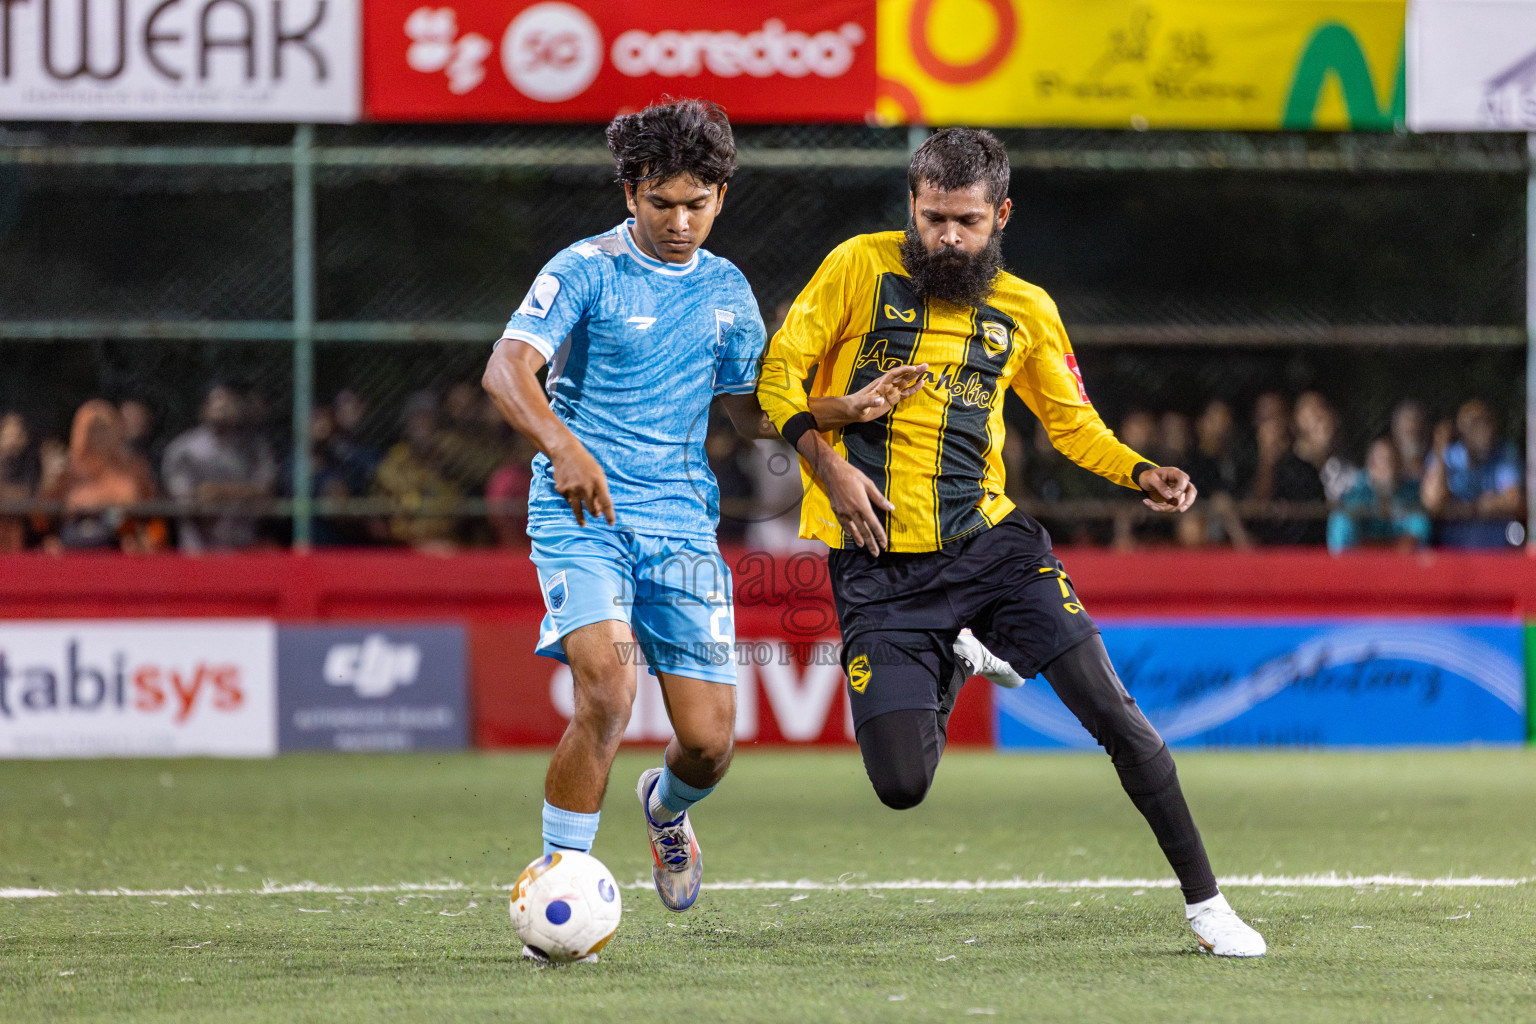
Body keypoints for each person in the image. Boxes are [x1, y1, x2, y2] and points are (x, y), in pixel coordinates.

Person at [755, 127, 1265, 957]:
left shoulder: (1026, 310)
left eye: (964, 221)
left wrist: (1140, 472)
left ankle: (1209, 905)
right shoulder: (857, 265)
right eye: (931, 220)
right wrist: (831, 470)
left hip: (996, 554)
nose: (946, 239)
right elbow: (779, 373)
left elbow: (1072, 426)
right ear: (910, 209)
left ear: (1002, 216)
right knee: (900, 785)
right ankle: (955, 653)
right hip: (877, 566)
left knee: (1117, 717)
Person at [479, 99, 926, 960]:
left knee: (711, 744)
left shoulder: (725, 290)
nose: (680, 222)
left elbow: (757, 410)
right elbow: (507, 370)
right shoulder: (584, 269)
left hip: (681, 526)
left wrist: (840, 408)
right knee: (607, 688)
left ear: (722, 195)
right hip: (585, 513)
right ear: (630, 190)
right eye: (662, 203)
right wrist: (564, 448)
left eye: (698, 203)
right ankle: (559, 881)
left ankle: (664, 809)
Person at [161, 385, 279, 552]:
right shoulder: (183, 450)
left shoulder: (256, 448)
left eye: (229, 403)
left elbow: (266, 489)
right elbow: (189, 501)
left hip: (245, 551)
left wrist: (221, 492)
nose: (223, 409)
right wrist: (245, 492)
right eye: (217, 403)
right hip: (200, 552)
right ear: (204, 409)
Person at [39, 400, 162, 552]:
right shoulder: (67, 473)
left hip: (121, 552)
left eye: (103, 429)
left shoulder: (134, 469)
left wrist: (144, 539)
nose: (97, 436)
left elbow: (153, 517)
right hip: (72, 552)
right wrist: (48, 483)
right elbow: (43, 521)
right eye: (90, 429)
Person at [1421, 399, 1524, 549]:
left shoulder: (1505, 453)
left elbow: (1513, 501)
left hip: (1496, 549)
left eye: (1487, 422)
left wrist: (1463, 509)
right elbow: (1434, 503)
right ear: (1461, 430)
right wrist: (1441, 448)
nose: (1483, 429)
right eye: (1475, 424)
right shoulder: (1446, 454)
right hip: (1451, 549)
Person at [1327, 437, 1431, 553]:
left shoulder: (1410, 490)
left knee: (1420, 518)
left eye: (1392, 460)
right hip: (1361, 555)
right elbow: (1346, 526)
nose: (1388, 466)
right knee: (1340, 519)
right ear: (1371, 465)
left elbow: (1419, 527)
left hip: (1401, 556)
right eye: (1382, 460)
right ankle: (1341, 568)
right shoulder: (1357, 490)